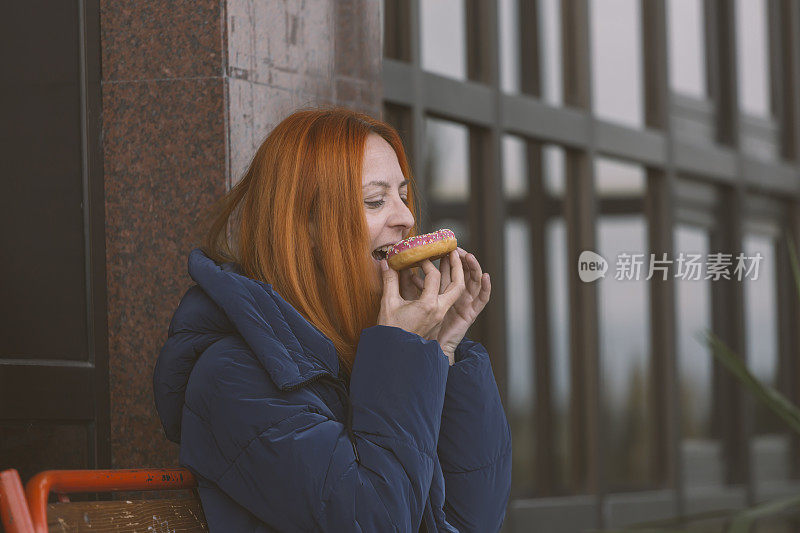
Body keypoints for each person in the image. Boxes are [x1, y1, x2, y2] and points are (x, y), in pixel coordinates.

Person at [153, 107, 512, 532]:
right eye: (376, 200)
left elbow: (474, 521)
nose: (406, 217)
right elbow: (375, 522)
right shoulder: (232, 379)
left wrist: (441, 350)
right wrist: (400, 355)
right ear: (304, 225)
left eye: (402, 194)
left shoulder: (357, 351)